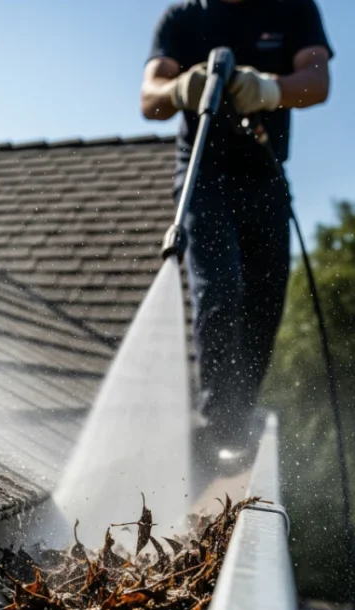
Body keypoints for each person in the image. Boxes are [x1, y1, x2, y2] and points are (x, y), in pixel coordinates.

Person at [141, 0, 333, 462]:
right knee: (221, 287)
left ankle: (239, 411)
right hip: (203, 175)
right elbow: (150, 98)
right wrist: (180, 89)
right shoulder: (182, 19)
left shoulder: (294, 9)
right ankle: (219, 427)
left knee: (266, 301)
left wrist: (270, 89)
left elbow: (317, 82)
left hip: (265, 178)